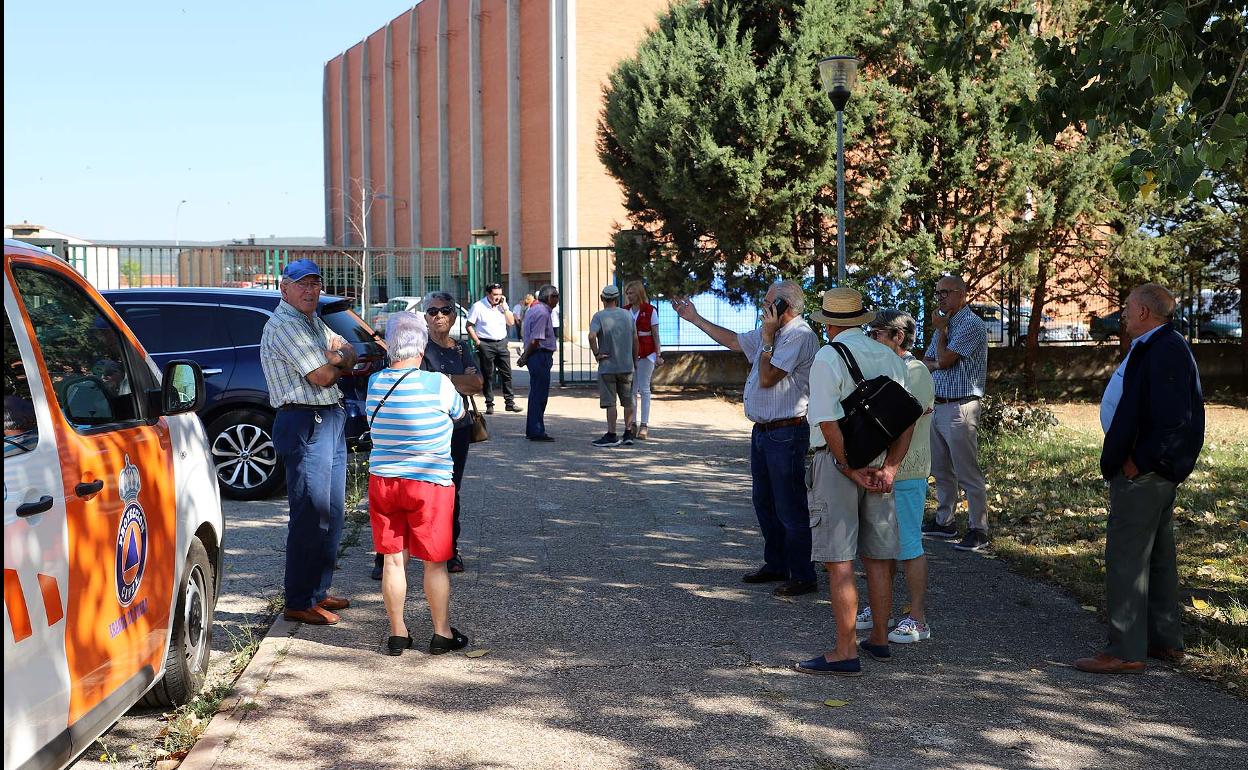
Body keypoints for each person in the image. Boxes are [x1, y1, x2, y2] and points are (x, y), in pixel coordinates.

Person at [1075, 283, 1204, 675]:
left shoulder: (1164, 348)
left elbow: (1174, 417)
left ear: (1145, 312)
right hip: (1151, 471)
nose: (1124, 313)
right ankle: (1164, 641)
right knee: (1159, 555)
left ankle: (1125, 650)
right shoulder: (1159, 344)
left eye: (1128, 307)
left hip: (1146, 472)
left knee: (1126, 556)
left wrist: (1140, 461)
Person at [672, 280, 819, 597]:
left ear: (784, 306)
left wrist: (766, 339)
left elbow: (768, 378)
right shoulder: (774, 333)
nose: (762, 309)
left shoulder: (799, 335)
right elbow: (736, 343)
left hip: (787, 431)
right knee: (764, 501)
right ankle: (777, 564)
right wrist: (695, 318)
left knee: (789, 504)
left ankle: (802, 573)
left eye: (768, 303)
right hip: (764, 431)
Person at [795, 288, 913, 676]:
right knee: (878, 556)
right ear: (861, 321)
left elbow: (827, 421)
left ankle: (845, 650)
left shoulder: (828, 357)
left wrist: (847, 468)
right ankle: (879, 637)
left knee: (839, 559)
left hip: (838, 462)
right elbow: (905, 418)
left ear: (828, 323)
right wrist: (891, 468)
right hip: (880, 461)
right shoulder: (888, 354)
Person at [260, 259, 358, 626]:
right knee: (309, 514)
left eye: (315, 283)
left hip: (328, 417)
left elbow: (350, 352)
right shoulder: (285, 325)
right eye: (302, 284)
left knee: (331, 512)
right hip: (304, 419)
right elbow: (321, 375)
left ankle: (318, 590)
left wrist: (339, 359)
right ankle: (299, 600)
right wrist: (336, 360)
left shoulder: (312, 320)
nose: (310, 290)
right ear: (283, 288)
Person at [367, 311, 471, 657]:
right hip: (429, 483)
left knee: (394, 560)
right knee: (435, 562)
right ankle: (441, 632)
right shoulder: (438, 383)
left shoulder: (375, 383)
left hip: (384, 481)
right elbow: (460, 416)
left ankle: (398, 633)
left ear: (390, 347)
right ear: (422, 346)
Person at [856, 310, 935, 645]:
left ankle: (917, 618)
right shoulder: (886, 369)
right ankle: (880, 608)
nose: (872, 340)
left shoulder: (914, 372)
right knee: (880, 547)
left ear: (898, 337)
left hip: (906, 472)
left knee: (908, 547)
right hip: (881, 470)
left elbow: (895, 421)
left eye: (877, 334)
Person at [920, 274, 990, 552]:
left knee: (966, 471)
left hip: (961, 406)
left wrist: (941, 337)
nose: (940, 299)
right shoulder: (945, 325)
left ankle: (978, 529)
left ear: (962, 294)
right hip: (939, 405)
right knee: (940, 468)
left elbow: (945, 360)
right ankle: (945, 521)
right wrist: (939, 353)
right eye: (937, 293)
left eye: (945, 293)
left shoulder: (971, 324)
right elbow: (927, 361)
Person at [588, 285, 638, 447]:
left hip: (607, 366)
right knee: (628, 400)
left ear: (602, 299)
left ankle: (611, 434)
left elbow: (591, 335)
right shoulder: (628, 315)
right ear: (617, 299)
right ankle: (628, 432)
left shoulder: (599, 316)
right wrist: (633, 359)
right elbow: (636, 339)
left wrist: (597, 353)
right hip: (626, 365)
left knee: (611, 403)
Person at [466, 283, 520, 415]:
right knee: (487, 375)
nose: (498, 297)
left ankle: (510, 403)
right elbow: (469, 325)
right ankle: (489, 403)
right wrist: (478, 342)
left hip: (501, 343)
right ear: (488, 294)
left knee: (506, 374)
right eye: (495, 294)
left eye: (500, 294)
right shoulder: (478, 306)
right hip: (486, 344)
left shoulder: (502, 307)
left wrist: (505, 308)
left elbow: (511, 322)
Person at [623, 280, 664, 440]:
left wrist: (658, 354)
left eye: (631, 293)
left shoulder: (650, 310)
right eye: (627, 293)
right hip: (629, 353)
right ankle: (631, 423)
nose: (629, 296)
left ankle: (644, 425)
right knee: (631, 390)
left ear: (639, 293)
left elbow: (655, 334)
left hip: (647, 353)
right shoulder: (624, 311)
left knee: (644, 389)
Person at [517, 285, 559, 441]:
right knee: (539, 395)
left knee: (536, 393)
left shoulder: (534, 310)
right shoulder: (542, 313)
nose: (557, 299)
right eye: (556, 296)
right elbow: (536, 339)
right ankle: (536, 431)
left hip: (537, 356)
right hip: (539, 355)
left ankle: (533, 429)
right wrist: (525, 357)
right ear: (550, 298)